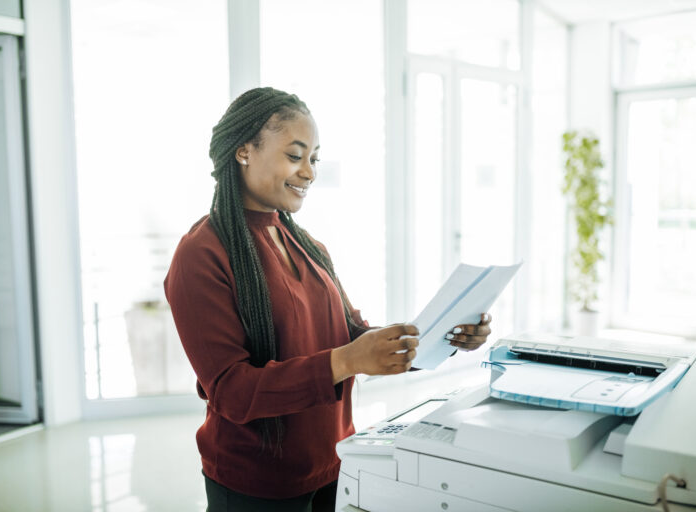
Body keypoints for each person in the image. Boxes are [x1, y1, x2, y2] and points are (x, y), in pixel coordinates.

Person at [163, 87, 493, 512]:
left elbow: (350, 334)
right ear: (244, 151)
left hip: (334, 462)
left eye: (314, 159)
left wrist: (441, 336)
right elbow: (231, 390)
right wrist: (346, 360)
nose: (309, 173)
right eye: (295, 155)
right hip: (256, 485)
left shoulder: (307, 245)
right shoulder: (202, 254)